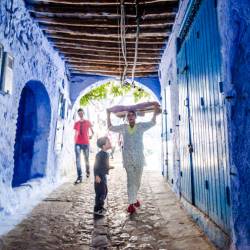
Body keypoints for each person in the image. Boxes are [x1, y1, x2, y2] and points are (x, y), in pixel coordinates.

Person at [107, 104, 159, 214]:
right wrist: (108, 114)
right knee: (131, 180)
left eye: (132, 115)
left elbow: (152, 123)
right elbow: (110, 127)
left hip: (139, 158)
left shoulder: (140, 126)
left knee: (138, 181)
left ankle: (134, 198)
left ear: (135, 117)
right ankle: (131, 203)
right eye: (129, 115)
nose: (130, 117)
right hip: (127, 158)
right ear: (127, 117)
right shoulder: (123, 127)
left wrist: (155, 111)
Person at [74, 108, 94, 184]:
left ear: (84, 113)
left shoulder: (88, 122)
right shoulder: (76, 123)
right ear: (78, 114)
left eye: (81, 113)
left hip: (86, 143)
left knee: (86, 159)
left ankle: (87, 170)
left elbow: (92, 132)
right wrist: (75, 141)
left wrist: (91, 136)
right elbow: (76, 133)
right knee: (78, 160)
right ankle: (79, 177)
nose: (80, 114)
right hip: (78, 143)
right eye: (79, 113)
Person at [94, 136, 112, 216]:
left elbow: (104, 165)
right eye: (108, 142)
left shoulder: (106, 154)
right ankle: (98, 209)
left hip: (103, 176)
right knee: (100, 193)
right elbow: (96, 166)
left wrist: (108, 167)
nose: (110, 143)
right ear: (104, 146)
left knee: (104, 192)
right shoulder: (100, 154)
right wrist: (96, 175)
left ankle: (100, 207)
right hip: (99, 177)